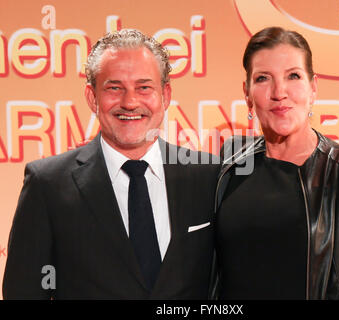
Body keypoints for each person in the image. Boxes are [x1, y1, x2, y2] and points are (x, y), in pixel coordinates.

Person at [3, 29, 219, 299]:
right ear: (92, 98)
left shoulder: (209, 176)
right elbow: (23, 292)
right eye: (114, 88)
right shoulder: (47, 184)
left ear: (165, 95)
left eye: (144, 87)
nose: (130, 102)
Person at [212, 26, 339, 300]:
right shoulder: (229, 162)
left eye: (293, 76)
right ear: (247, 93)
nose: (279, 92)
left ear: (313, 88)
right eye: (263, 78)